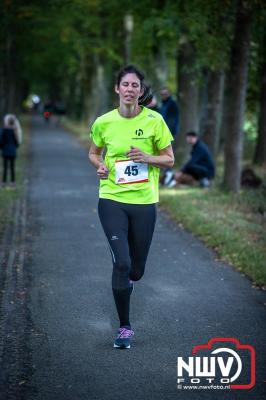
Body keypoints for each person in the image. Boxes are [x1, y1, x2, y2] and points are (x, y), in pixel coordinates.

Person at [89, 65, 174, 349]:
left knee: (136, 271)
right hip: (112, 199)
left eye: (134, 85)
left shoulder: (155, 121)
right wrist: (100, 166)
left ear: (140, 90)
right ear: (117, 89)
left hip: (144, 202)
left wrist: (148, 157)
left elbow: (170, 160)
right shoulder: (104, 122)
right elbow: (93, 152)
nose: (129, 89)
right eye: (125, 84)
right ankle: (124, 327)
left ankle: (128, 276)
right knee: (122, 264)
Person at [0, 114, 22, 187]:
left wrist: (2, 147)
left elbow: (1, 140)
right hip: (13, 151)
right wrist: (15, 147)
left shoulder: (3, 130)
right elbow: (17, 142)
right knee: (12, 167)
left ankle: (4, 182)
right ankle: (13, 182)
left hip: (5, 151)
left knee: (5, 167)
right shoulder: (14, 130)